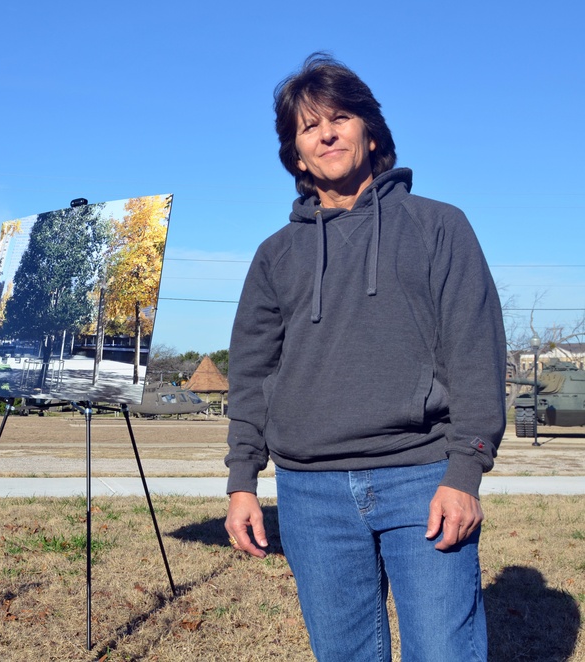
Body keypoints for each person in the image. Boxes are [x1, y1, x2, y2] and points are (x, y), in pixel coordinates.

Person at [224, 53, 506, 662]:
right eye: (309, 126)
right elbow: (252, 372)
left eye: (341, 117)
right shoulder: (275, 255)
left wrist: (464, 474)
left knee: (445, 652)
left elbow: (475, 352)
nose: (326, 133)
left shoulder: (438, 226)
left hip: (421, 476)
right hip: (310, 492)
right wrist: (243, 482)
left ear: (369, 132)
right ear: (295, 154)